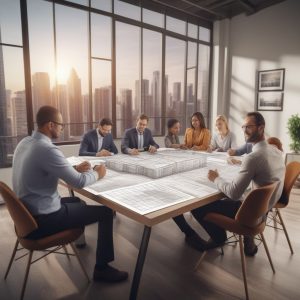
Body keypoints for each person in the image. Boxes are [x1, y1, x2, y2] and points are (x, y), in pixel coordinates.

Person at [12, 106, 128, 282]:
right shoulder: (47, 149)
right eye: (61, 125)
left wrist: (72, 168)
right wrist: (98, 173)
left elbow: (44, 168)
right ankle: (102, 269)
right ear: (51, 125)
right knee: (106, 212)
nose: (61, 128)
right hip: (43, 220)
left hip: (26, 216)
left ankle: (79, 242)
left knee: (76, 202)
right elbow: (79, 182)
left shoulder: (25, 143)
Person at [190, 112, 285, 256]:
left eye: (249, 127)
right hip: (264, 209)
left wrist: (215, 178)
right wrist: (242, 162)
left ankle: (219, 238)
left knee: (196, 205)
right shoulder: (275, 150)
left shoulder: (253, 157)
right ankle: (248, 238)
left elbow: (234, 193)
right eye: (243, 127)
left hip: (248, 214)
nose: (244, 131)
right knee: (226, 197)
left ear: (261, 128)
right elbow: (261, 167)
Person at [164, 118, 204, 250]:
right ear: (170, 128)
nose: (177, 130)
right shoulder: (169, 137)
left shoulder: (177, 137)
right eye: (175, 128)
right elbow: (169, 146)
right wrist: (180, 146)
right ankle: (190, 232)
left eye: (178, 127)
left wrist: (182, 147)